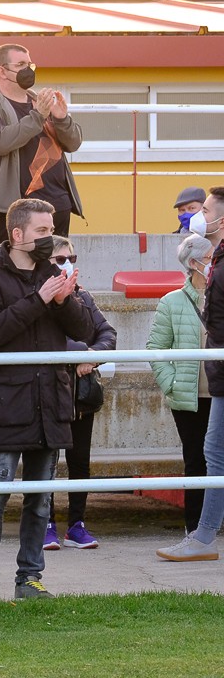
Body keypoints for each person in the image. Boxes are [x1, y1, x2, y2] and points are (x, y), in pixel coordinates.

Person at [0, 198, 93, 603]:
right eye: (41, 231)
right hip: (6, 402)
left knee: (41, 500)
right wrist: (39, 299)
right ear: (16, 234)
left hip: (50, 402)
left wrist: (63, 300)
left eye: (51, 229)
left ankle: (30, 579)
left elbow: (85, 328)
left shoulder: (53, 271)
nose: (49, 237)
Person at [158, 188, 224, 561]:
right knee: (210, 456)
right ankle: (201, 536)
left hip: (218, 380)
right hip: (206, 386)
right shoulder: (176, 298)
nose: (197, 217)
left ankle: (202, 538)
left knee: (214, 454)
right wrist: (172, 383)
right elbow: (157, 348)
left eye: (205, 210)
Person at [42, 236, 117, 551]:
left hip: (81, 398)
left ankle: (77, 525)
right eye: (59, 259)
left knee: (79, 464)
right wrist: (79, 351)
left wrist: (92, 356)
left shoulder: (84, 296)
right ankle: (44, 525)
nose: (67, 263)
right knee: (45, 464)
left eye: (70, 257)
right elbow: (45, 340)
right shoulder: (39, 298)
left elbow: (108, 334)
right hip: (47, 395)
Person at [0, 44, 83, 247]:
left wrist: (62, 118)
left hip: (57, 207)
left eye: (30, 64)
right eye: (21, 64)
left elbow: (73, 143)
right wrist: (39, 115)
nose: (28, 70)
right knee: (12, 274)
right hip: (14, 211)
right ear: (2, 71)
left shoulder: (42, 103)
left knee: (56, 274)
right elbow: (1, 141)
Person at [148, 234, 214, 535]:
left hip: (220, 393)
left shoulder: (220, 295)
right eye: (211, 257)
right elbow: (156, 350)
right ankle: (195, 527)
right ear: (194, 263)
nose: (214, 263)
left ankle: (214, 523)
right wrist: (172, 384)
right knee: (196, 461)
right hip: (190, 397)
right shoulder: (171, 302)